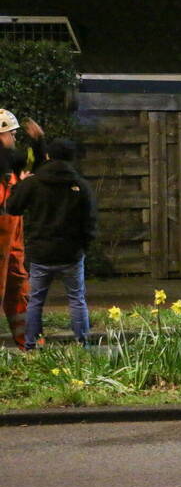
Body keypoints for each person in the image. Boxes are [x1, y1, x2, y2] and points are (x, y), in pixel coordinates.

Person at [6, 138, 96, 350]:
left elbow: (12, 208)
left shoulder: (33, 182)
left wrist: (20, 183)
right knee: (77, 299)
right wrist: (83, 247)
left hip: (40, 253)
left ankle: (30, 344)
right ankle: (83, 344)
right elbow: (90, 221)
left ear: (47, 156)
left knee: (36, 300)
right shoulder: (81, 185)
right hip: (71, 254)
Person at [0, 109, 44, 350]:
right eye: (11, 134)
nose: (14, 139)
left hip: (12, 242)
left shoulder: (9, 167)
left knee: (18, 290)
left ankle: (30, 344)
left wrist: (39, 143)